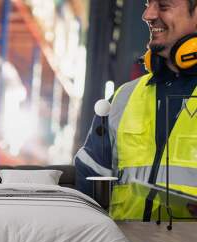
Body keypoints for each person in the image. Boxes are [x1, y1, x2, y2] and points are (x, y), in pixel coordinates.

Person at [75, 0, 197, 221]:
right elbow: (88, 186)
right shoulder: (123, 98)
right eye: (148, 4)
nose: (148, 15)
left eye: (164, 5)